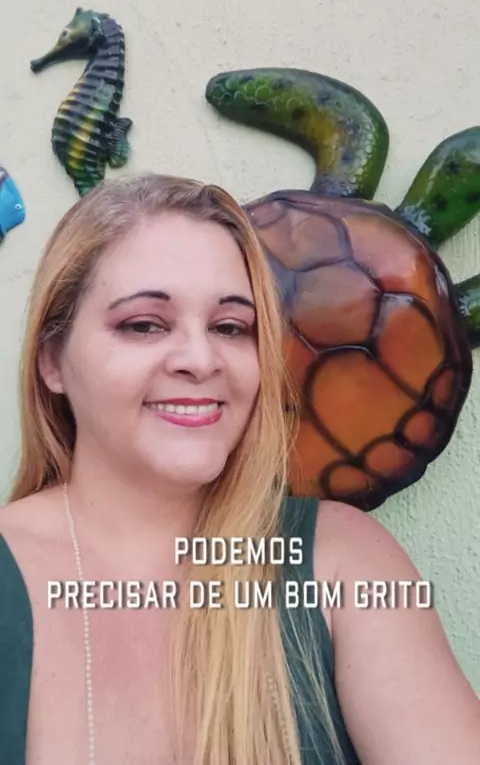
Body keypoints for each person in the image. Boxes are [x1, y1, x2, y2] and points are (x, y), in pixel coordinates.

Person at [0, 174, 478, 765]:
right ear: (52, 360)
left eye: (231, 327)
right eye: (144, 324)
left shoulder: (342, 562)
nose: (201, 360)